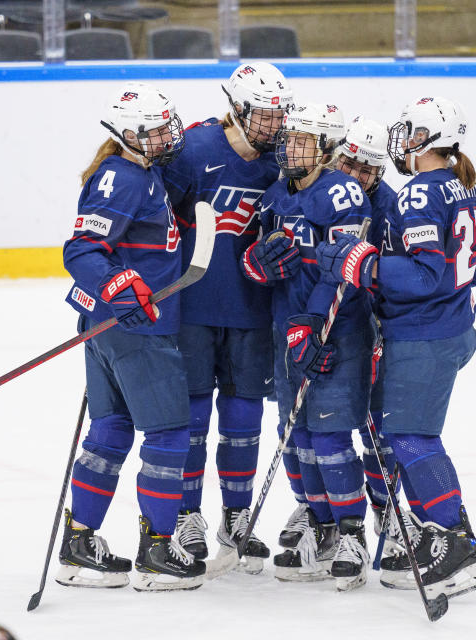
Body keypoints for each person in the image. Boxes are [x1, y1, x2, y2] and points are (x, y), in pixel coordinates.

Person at [315, 96, 476, 598]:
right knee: (405, 437)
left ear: (430, 140)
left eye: (412, 132)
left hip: (423, 336)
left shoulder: (418, 194)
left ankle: (456, 542)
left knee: (411, 439)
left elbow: (422, 274)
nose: (403, 141)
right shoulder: (462, 188)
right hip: (452, 329)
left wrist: (362, 264)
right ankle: (449, 537)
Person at [57, 82, 206, 592]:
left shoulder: (143, 172)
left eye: (169, 124)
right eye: (158, 129)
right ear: (129, 134)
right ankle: (158, 552)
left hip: (110, 328)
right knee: (168, 435)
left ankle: (79, 544)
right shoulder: (122, 179)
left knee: (112, 430)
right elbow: (81, 250)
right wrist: (119, 283)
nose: (169, 135)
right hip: (139, 330)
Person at [160, 62, 296, 575]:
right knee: (192, 420)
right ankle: (186, 516)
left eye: (279, 115)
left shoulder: (280, 163)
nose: (275, 125)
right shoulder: (191, 152)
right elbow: (156, 225)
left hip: (252, 312)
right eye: (265, 115)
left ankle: (236, 518)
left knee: (244, 421)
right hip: (191, 310)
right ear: (236, 109)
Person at [252, 102, 375, 591]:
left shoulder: (344, 195)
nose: (288, 146)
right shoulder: (275, 195)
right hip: (289, 332)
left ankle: (351, 534)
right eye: (288, 138)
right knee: (295, 435)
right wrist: (255, 266)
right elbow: (260, 258)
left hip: (336, 333)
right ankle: (322, 526)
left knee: (328, 439)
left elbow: (341, 271)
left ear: (326, 147)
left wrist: (311, 323)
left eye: (301, 140)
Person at [330, 115, 413, 558]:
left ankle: (386, 507)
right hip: (327, 324)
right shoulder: (320, 189)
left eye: (369, 170)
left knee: (379, 426)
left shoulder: (393, 207)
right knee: (326, 427)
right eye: (351, 163)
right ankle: (327, 517)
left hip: (373, 324)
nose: (358, 176)